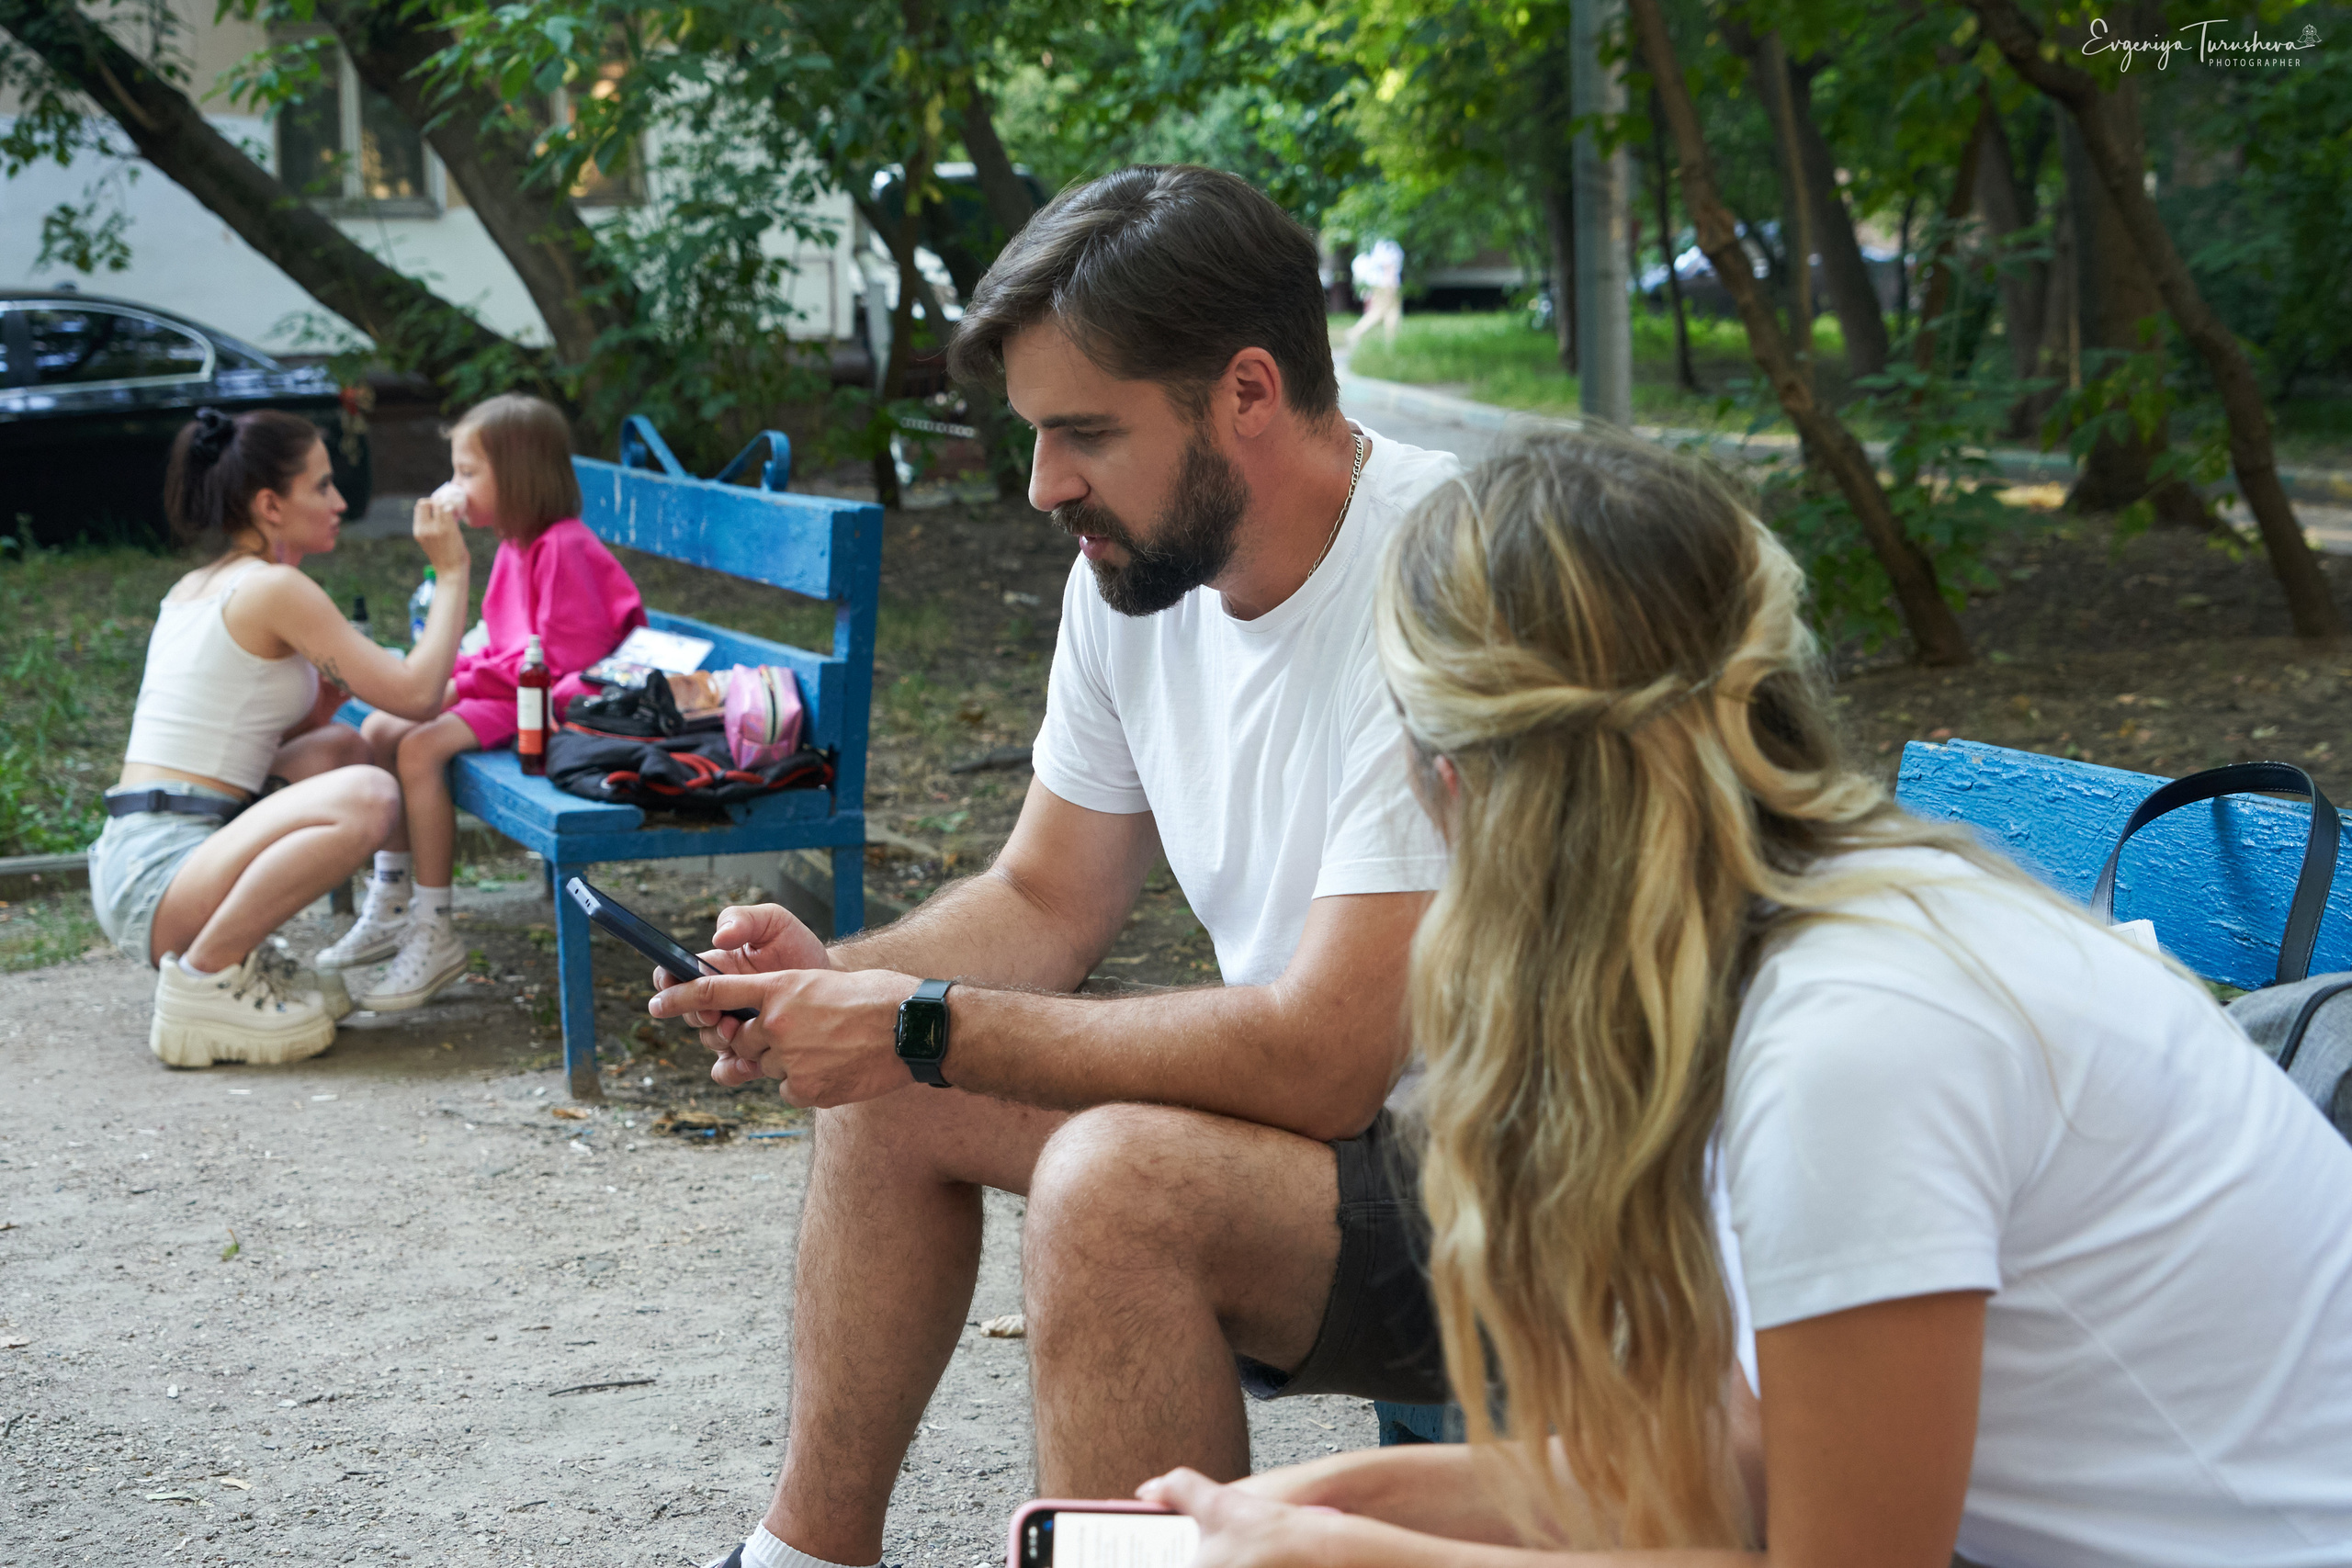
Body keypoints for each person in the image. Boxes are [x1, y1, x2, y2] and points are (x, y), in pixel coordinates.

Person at [1136, 433, 2352, 1565]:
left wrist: (1377, 1559)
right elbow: (1759, 1454)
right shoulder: (1811, 939)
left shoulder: (1850, 1043)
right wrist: (1357, 1496)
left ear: (1452, 785)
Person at [640, 164, 1460, 1568]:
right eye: (1034, 434)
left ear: (1248, 392)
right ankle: (803, 1554)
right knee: (899, 1086)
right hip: (1346, 1157)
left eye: (1084, 432)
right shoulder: (1134, 575)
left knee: (1114, 1182)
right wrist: (841, 985)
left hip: (1530, 1189)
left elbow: (1329, 1057)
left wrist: (920, 1014)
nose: (1042, 485)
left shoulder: (1446, 577)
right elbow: (1046, 895)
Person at [89, 407, 473, 1066]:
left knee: (342, 750)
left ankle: (233, 953)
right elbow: (415, 693)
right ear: (270, 504)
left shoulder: (201, 585)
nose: (340, 502)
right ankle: (205, 980)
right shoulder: (274, 587)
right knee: (367, 796)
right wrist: (453, 570)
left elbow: (225, 738)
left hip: (140, 853)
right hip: (161, 872)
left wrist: (315, 708)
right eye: (322, 486)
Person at [322, 393, 646, 1011]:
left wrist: (459, 686)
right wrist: (450, 676)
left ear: (519, 476)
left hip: (554, 705)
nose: (454, 486)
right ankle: (392, 897)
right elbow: (500, 643)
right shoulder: (516, 544)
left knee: (420, 746)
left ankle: (434, 924)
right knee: (384, 727)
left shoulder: (563, 547)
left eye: (469, 472)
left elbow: (556, 662)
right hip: (519, 693)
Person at [1342, 238, 1406, 353]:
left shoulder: (1381, 245)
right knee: (1380, 314)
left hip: (1383, 286)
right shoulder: (1388, 246)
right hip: (1388, 286)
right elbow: (1388, 268)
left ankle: (1391, 344)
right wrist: (1391, 287)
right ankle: (1355, 333)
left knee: (1390, 315)